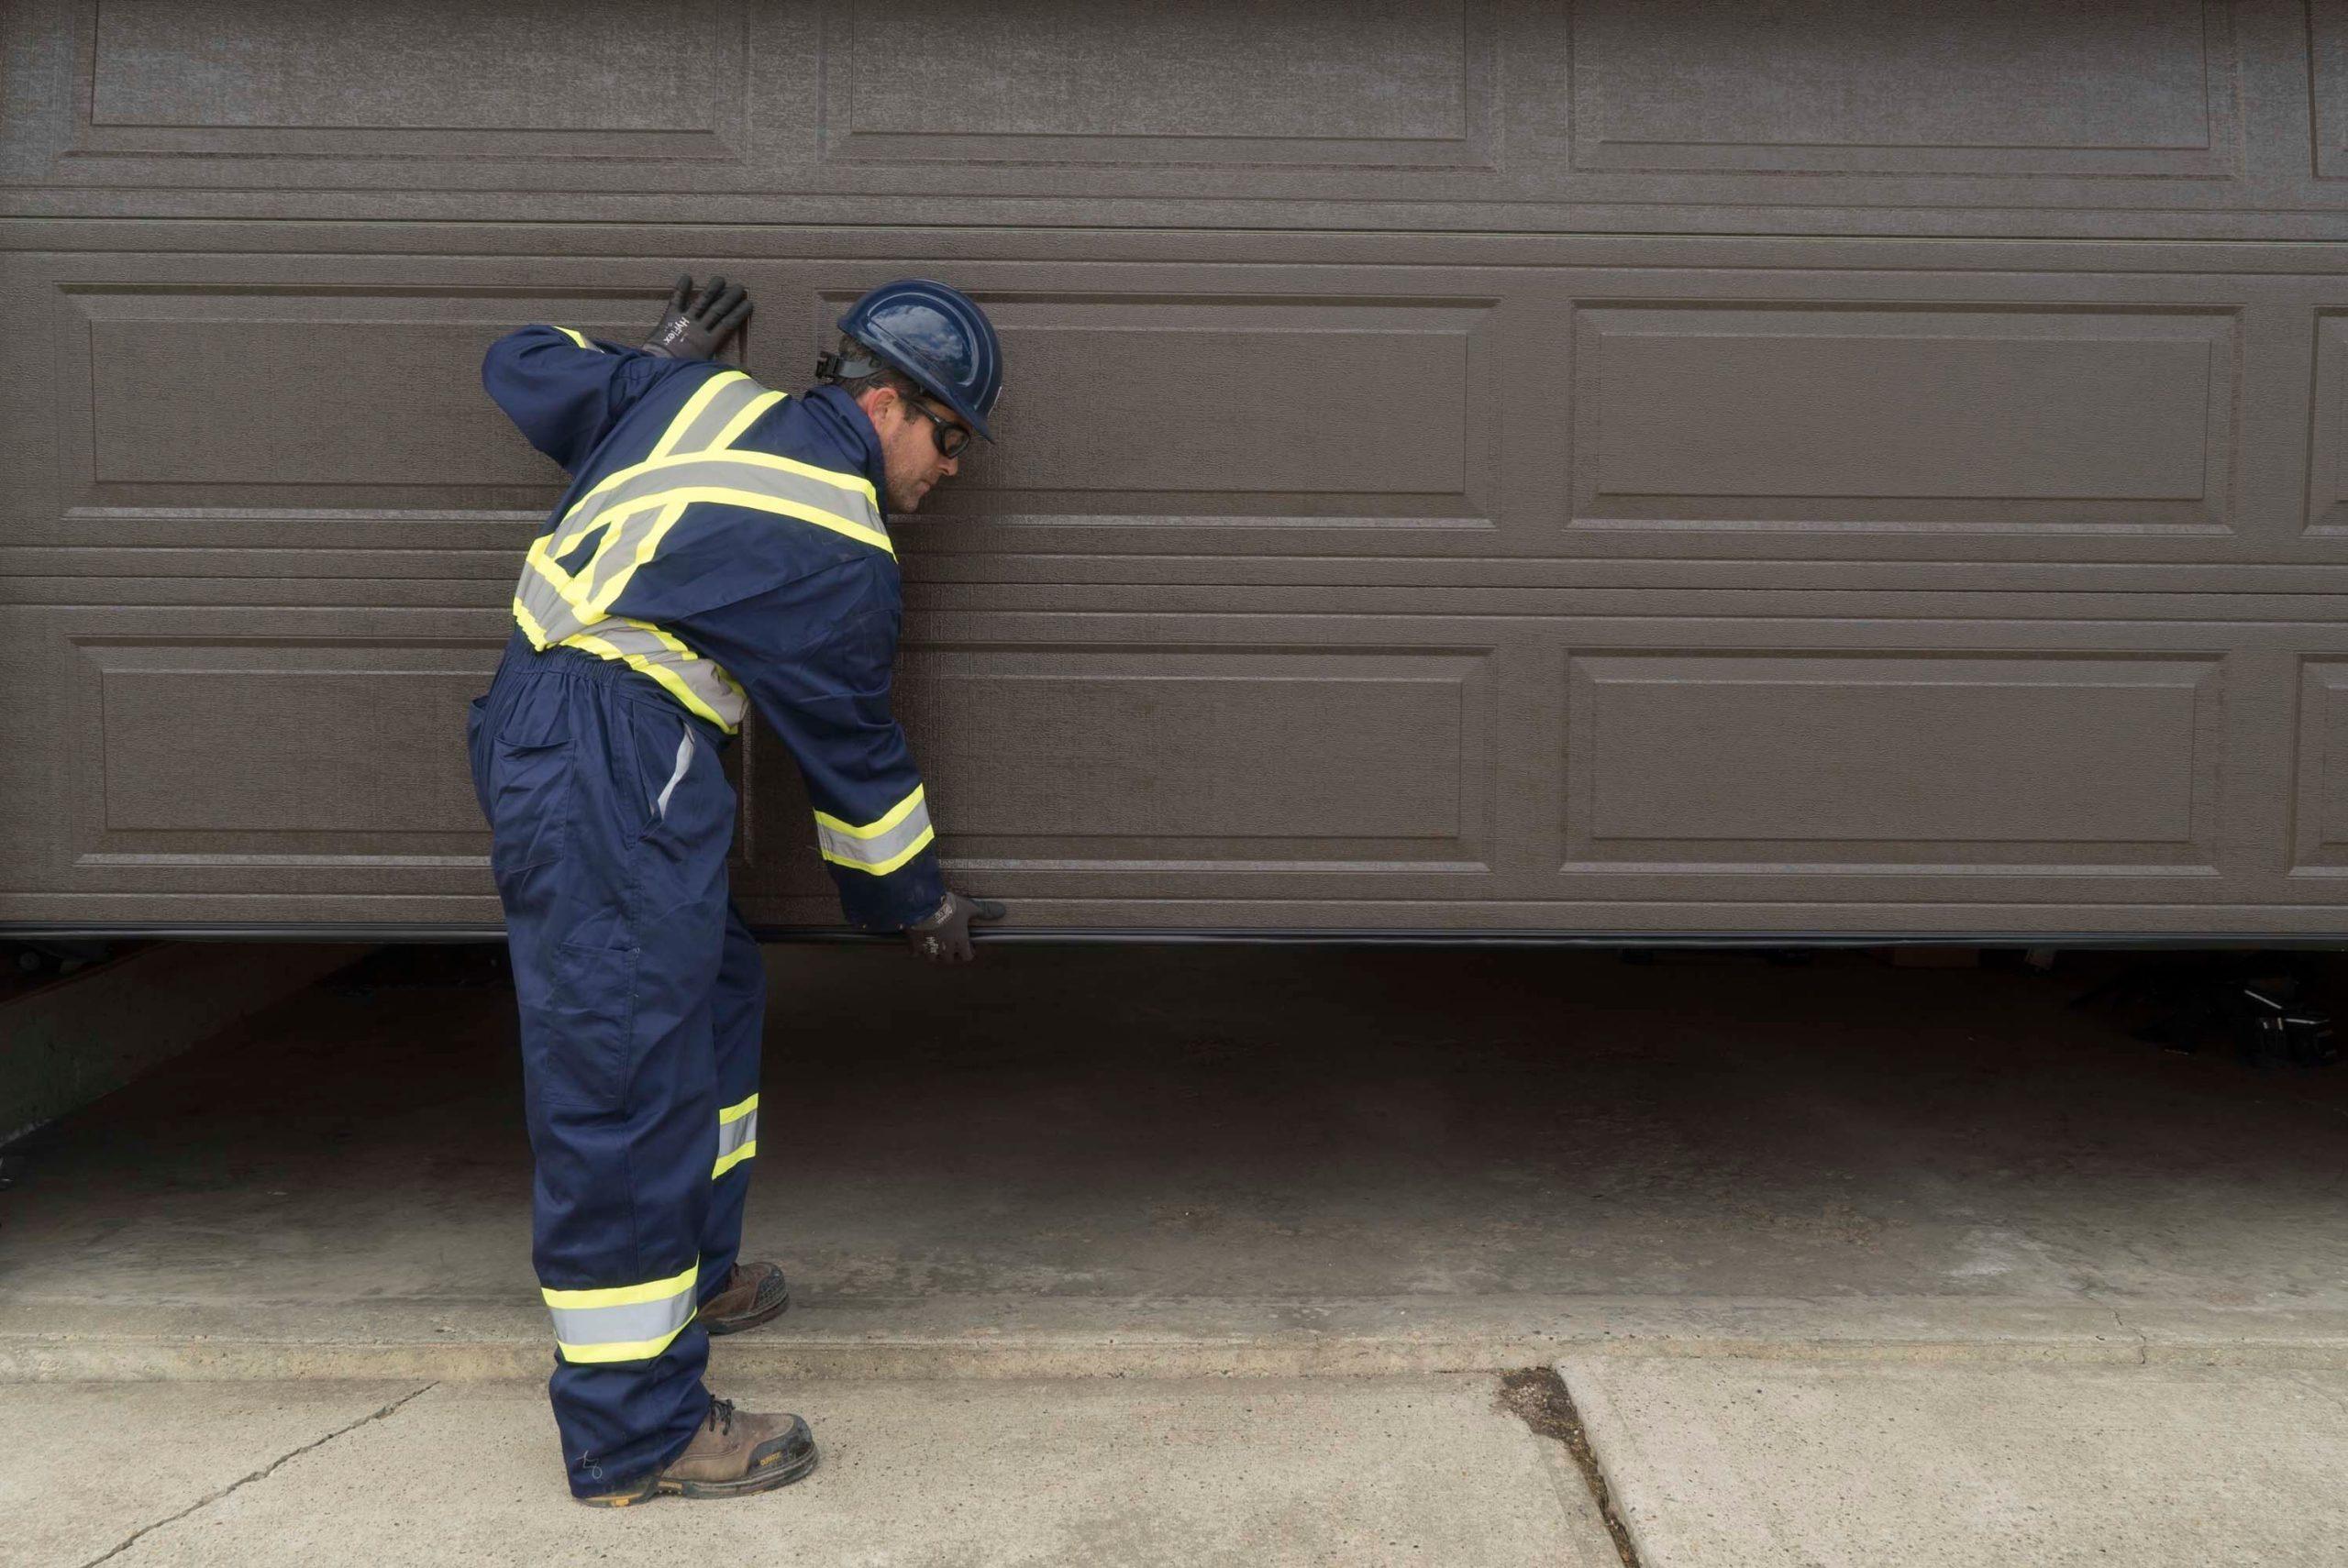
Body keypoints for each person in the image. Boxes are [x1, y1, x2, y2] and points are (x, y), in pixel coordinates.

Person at [466, 274, 1007, 1506]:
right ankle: (633, 1427)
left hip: (565, 740)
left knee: (710, 996)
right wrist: (914, 901)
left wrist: (647, 356)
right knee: (624, 1080)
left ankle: (693, 1269)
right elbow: (854, 761)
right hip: (611, 759)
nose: (954, 466)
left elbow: (521, 364)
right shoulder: (843, 542)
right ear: (885, 401)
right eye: (952, 432)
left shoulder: (691, 394)